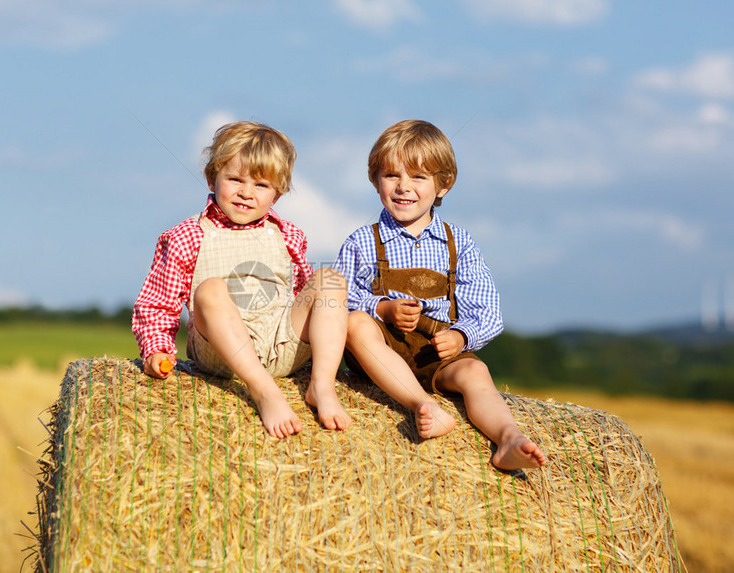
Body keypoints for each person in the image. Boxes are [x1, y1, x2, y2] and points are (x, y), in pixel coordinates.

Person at [334, 120, 546, 470]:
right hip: (379, 353)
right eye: (391, 176)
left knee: (475, 376)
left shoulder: (458, 244)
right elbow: (336, 300)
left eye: (418, 177)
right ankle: (422, 404)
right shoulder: (361, 241)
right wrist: (381, 308)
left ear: (443, 185)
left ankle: (509, 437)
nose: (404, 187)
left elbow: (489, 312)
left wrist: (462, 335)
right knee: (355, 323)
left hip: (436, 352)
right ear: (375, 181)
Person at [133, 121, 351, 439]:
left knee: (328, 280)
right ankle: (264, 391)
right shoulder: (187, 235)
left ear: (279, 192)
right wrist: (157, 350)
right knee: (210, 289)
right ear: (212, 177)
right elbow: (157, 302)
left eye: (260, 185)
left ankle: (322, 385)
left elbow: (306, 295)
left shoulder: (288, 235)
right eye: (235, 179)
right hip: (222, 353)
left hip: (282, 344)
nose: (246, 193)